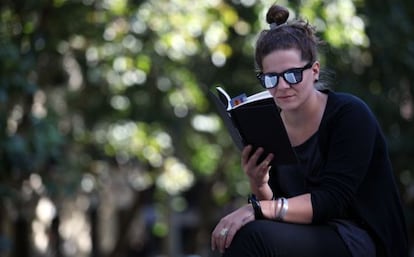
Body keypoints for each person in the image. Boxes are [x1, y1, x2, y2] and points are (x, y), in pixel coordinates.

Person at [210, 4, 409, 257]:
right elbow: (281, 204)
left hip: (359, 237)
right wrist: (259, 184)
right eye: (271, 78)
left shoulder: (349, 114)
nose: (282, 86)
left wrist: (256, 209)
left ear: (314, 71)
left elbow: (330, 201)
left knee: (252, 235)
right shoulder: (271, 125)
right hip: (309, 232)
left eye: (292, 74)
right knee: (235, 235)